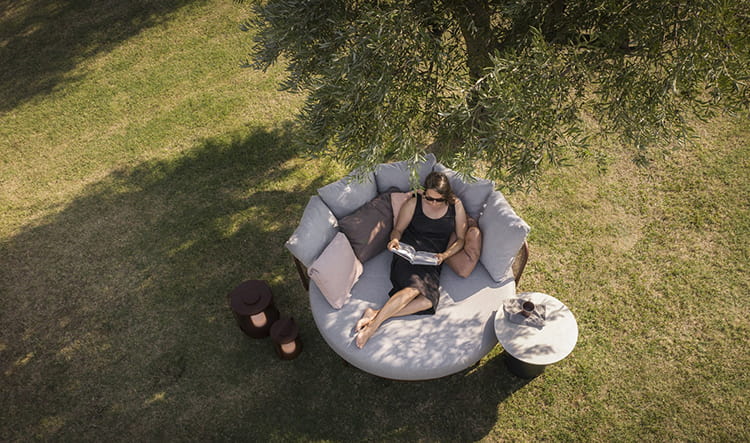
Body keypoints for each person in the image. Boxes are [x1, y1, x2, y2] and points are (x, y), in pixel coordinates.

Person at [355, 171, 467, 348]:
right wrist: (394, 240)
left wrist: (445, 255)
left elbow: (461, 239)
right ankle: (372, 328)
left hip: (432, 259)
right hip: (408, 254)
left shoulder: (456, 206)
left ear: (447, 196)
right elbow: (398, 230)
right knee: (414, 290)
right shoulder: (414, 202)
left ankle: (375, 313)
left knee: (428, 301)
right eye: (429, 198)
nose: (433, 203)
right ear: (424, 192)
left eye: (439, 200)